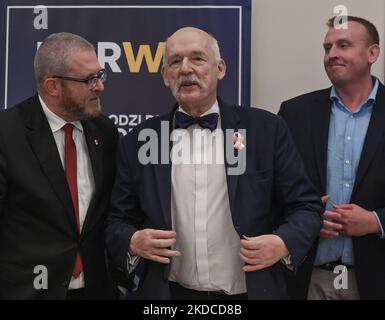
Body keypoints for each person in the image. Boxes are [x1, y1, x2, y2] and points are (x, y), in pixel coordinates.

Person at [105, 27, 323, 300]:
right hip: (169, 295)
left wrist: (283, 242)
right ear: (164, 76)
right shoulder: (138, 141)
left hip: (250, 293)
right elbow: (117, 219)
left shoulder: (266, 129)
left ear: (220, 68)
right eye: (175, 61)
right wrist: (132, 241)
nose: (185, 69)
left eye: (197, 58)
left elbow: (306, 206)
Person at [0, 32, 119, 299]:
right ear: (53, 86)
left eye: (100, 75)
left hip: (95, 291)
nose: (99, 86)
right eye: (89, 80)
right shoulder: (6, 134)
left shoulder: (105, 130)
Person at [279, 16, 385, 300]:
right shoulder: (294, 113)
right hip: (307, 280)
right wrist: (305, 219)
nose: (332, 55)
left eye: (344, 45)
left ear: (373, 53)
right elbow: (270, 192)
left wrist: (376, 221)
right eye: (327, 48)